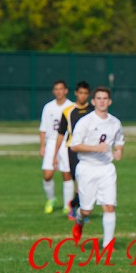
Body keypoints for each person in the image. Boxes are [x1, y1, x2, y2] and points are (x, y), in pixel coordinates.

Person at [70, 87, 125, 249]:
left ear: (110, 101)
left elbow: (120, 141)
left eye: (105, 98)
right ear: (93, 102)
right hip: (87, 168)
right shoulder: (85, 122)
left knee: (109, 206)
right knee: (87, 211)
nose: (102, 101)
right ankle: (79, 221)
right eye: (99, 98)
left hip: (106, 169)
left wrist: (119, 151)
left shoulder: (115, 122)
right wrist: (96, 148)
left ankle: (108, 245)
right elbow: (74, 146)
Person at [53, 81, 94, 220]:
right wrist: (55, 154)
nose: (83, 96)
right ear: (76, 93)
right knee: (79, 181)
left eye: (85, 93)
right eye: (80, 93)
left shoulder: (93, 111)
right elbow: (61, 133)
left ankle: (80, 207)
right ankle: (77, 209)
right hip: (73, 150)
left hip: (90, 150)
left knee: (87, 182)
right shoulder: (68, 111)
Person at [39, 80, 73, 215]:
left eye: (61, 89)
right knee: (47, 175)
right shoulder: (48, 107)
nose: (59, 91)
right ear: (54, 91)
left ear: (66, 90)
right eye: (56, 89)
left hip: (65, 143)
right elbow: (43, 128)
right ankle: (51, 199)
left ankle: (68, 205)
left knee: (66, 174)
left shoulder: (71, 107)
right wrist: (42, 146)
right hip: (52, 142)